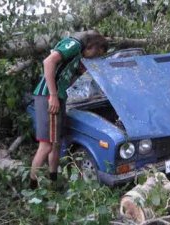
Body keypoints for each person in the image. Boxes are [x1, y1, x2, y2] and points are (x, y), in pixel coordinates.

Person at [30, 31, 108, 189]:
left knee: (56, 144)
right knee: (46, 146)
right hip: (48, 96)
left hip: (59, 97)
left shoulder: (78, 55)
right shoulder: (74, 44)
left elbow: (69, 72)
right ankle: (32, 186)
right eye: (97, 53)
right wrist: (52, 95)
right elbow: (48, 62)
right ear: (92, 46)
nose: (95, 57)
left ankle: (53, 181)